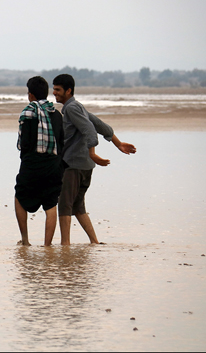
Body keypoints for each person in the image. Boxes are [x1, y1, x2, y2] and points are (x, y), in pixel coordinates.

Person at [52, 74, 136, 245]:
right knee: (78, 206)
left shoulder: (71, 108)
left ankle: (65, 245)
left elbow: (90, 130)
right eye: (53, 89)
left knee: (65, 204)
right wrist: (118, 143)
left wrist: (92, 153)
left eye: (58, 89)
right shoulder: (77, 106)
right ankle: (95, 242)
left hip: (73, 164)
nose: (54, 93)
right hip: (85, 166)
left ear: (68, 91)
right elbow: (99, 124)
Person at [15, 76, 65, 246]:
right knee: (51, 203)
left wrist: (26, 160)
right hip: (54, 164)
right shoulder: (56, 114)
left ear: (30, 95)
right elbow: (61, 141)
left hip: (32, 162)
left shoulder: (28, 112)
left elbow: (25, 143)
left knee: (20, 196)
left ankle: (25, 240)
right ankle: (47, 245)